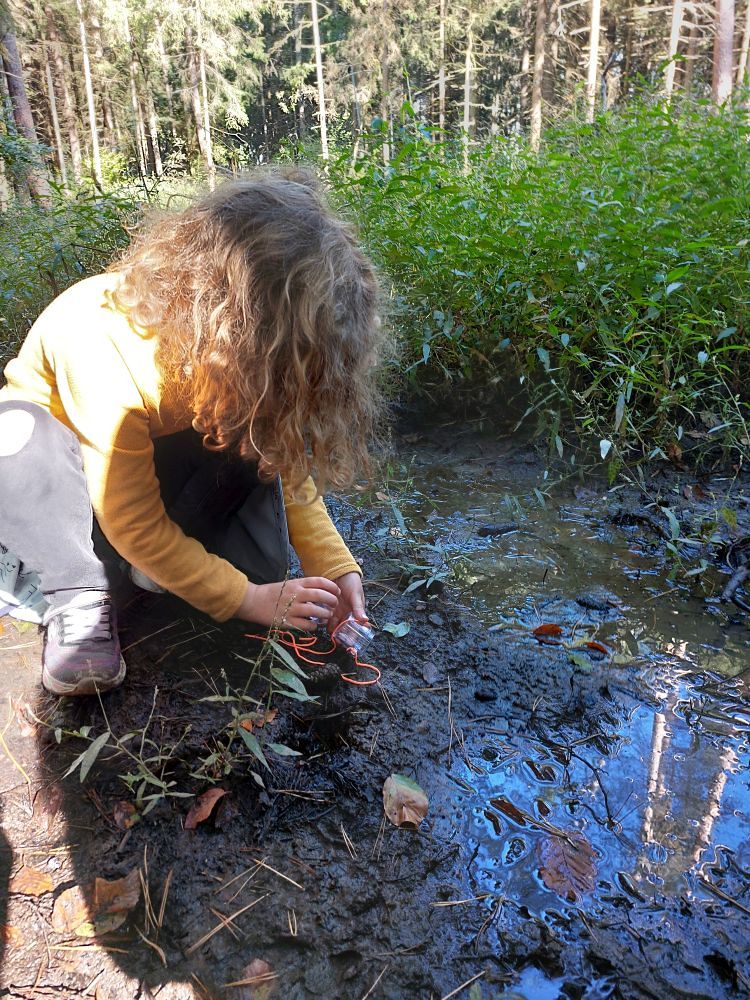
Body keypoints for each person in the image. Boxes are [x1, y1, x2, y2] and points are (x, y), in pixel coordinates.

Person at [0, 170, 385, 696]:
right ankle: (79, 594)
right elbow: (129, 517)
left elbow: (284, 463)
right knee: (17, 434)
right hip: (61, 486)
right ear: (233, 324)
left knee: (257, 526)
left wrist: (336, 567)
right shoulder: (101, 340)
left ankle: (145, 570)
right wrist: (249, 599)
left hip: (138, 486)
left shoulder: (228, 360)